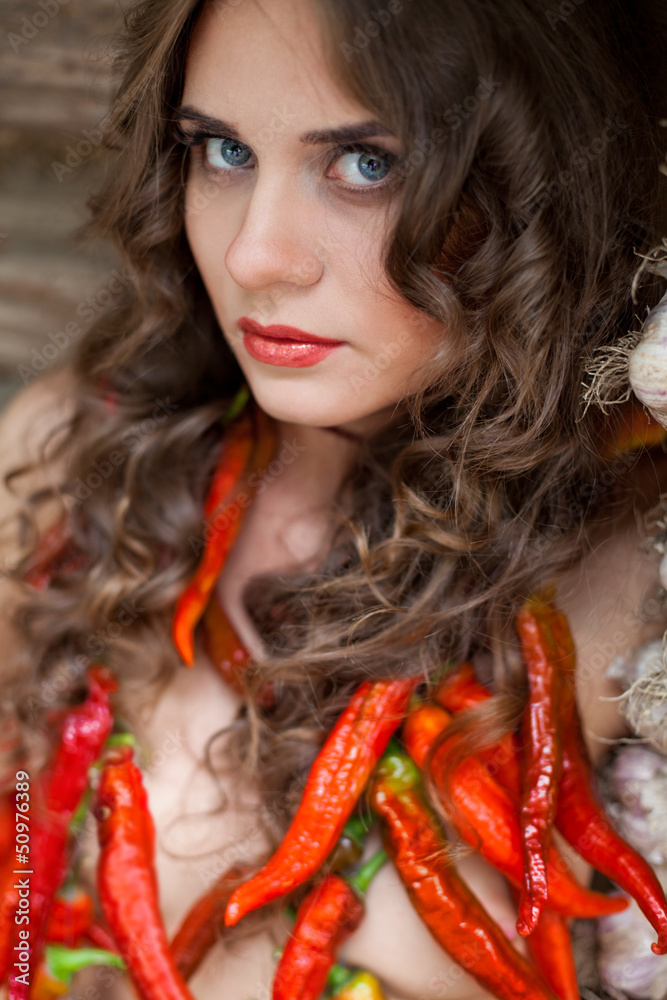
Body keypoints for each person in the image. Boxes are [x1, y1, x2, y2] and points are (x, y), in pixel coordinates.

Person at [0, 0, 666, 997]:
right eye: (220, 149)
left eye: (366, 163)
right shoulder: (72, 450)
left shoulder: (622, 571)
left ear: (540, 182)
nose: (253, 256)